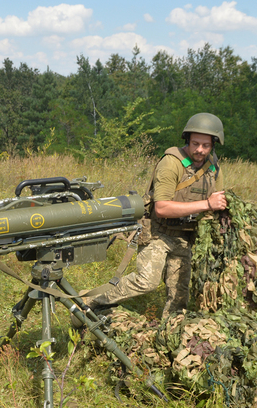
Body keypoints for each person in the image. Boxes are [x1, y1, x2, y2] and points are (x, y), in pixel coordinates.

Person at [85, 113, 227, 318]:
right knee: (146, 281)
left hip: (186, 237)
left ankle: (169, 333)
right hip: (158, 232)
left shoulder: (213, 167)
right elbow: (161, 208)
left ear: (213, 144)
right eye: (195, 143)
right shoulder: (171, 163)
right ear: (187, 140)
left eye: (206, 145)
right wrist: (206, 204)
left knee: (179, 297)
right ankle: (90, 300)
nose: (200, 150)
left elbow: (218, 201)